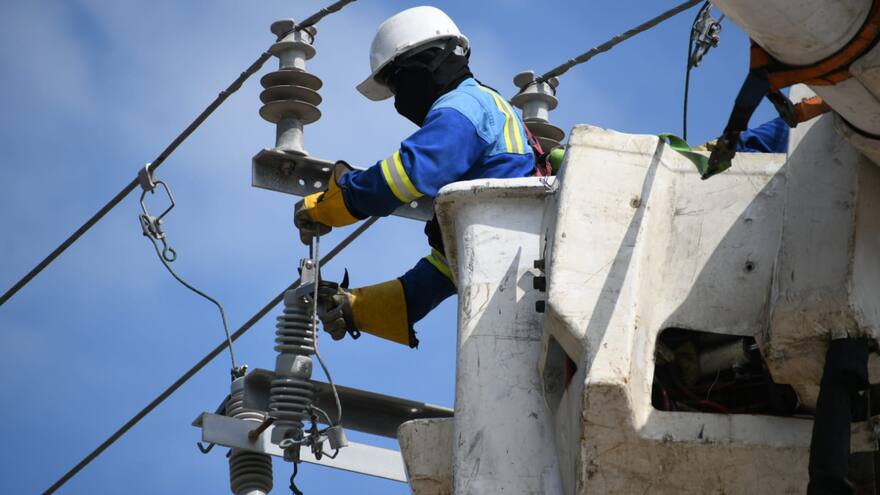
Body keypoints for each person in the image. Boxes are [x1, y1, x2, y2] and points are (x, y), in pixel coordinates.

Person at [294, 6, 536, 348]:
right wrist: (362, 308)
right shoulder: (484, 113)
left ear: (425, 63)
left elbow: (409, 173)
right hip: (519, 282)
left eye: (396, 82)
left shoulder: (465, 107)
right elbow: (448, 268)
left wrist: (340, 200)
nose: (399, 98)